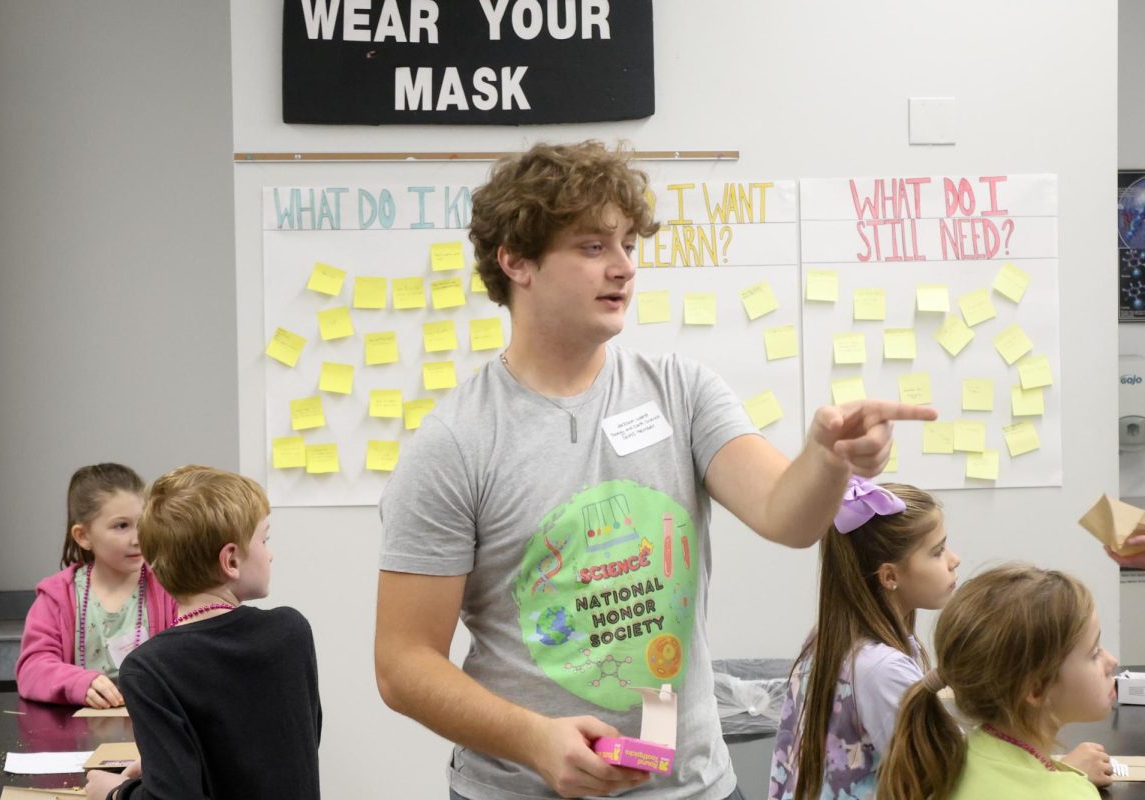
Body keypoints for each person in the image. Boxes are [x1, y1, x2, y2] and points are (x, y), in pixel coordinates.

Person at [374, 140, 936, 799]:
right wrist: (532, 737)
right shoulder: (455, 442)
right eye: (592, 247)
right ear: (516, 261)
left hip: (692, 787)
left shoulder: (681, 391)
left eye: (628, 247)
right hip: (520, 789)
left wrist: (829, 458)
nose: (622, 269)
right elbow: (403, 664)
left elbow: (788, 516)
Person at [83, 465, 321, 800]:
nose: (270, 553)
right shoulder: (292, 633)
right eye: (264, 540)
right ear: (231, 561)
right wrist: (166, 763)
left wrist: (117, 793)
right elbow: (290, 750)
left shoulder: (150, 668)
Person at [767, 479, 960, 800]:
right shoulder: (881, 669)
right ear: (890, 576)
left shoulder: (825, 638)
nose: (954, 559)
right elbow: (941, 773)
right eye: (938, 551)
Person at [876, 564, 1119, 800]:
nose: (1113, 661)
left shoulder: (954, 759)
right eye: (1094, 652)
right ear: (1036, 688)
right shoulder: (1068, 795)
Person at [16, 463, 176, 707]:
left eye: (143, 523)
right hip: (81, 733)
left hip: (153, 728)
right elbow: (32, 668)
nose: (137, 539)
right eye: (121, 526)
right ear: (83, 536)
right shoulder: (58, 597)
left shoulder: (170, 587)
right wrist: (78, 683)